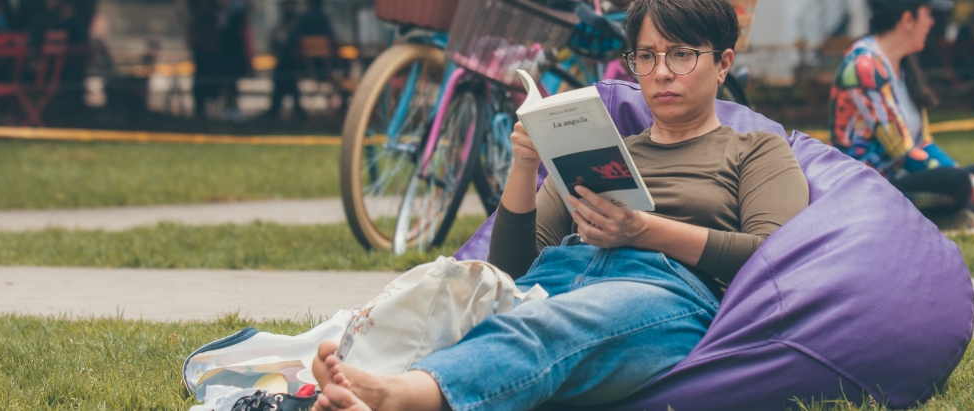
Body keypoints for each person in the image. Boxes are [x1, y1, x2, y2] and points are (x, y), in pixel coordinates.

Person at [309, 0, 809, 410]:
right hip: (558, 275)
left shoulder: (756, 150)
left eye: (681, 55)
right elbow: (507, 271)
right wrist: (525, 166)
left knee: (549, 325)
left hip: (664, 293)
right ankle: (358, 387)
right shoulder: (608, 149)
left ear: (723, 63)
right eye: (647, 57)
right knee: (469, 297)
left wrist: (641, 231)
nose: (661, 73)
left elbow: (772, 259)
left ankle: (399, 394)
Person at [829, 0, 974, 229]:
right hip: (868, 189)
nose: (932, 23)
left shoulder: (903, 65)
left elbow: (924, 144)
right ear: (908, 20)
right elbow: (903, 153)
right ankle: (958, 211)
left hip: (905, 179)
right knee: (959, 183)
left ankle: (956, 212)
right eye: (928, 14)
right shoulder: (863, 66)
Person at [263, 0, 306, 119]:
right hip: (293, 63)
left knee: (283, 70)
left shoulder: (298, 22)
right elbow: (275, 41)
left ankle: (276, 107)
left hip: (301, 62)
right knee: (286, 71)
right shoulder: (284, 23)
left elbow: (288, 41)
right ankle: (296, 108)